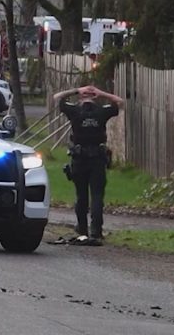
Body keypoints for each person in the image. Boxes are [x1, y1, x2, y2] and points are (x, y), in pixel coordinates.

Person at [53, 84, 125, 246]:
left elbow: (57, 97)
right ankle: (96, 231)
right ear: (95, 97)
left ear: (80, 97)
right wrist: (102, 92)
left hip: (79, 158)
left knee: (81, 195)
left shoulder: (74, 111)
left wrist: (76, 90)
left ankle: (82, 230)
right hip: (97, 159)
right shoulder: (102, 111)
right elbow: (120, 102)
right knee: (97, 195)